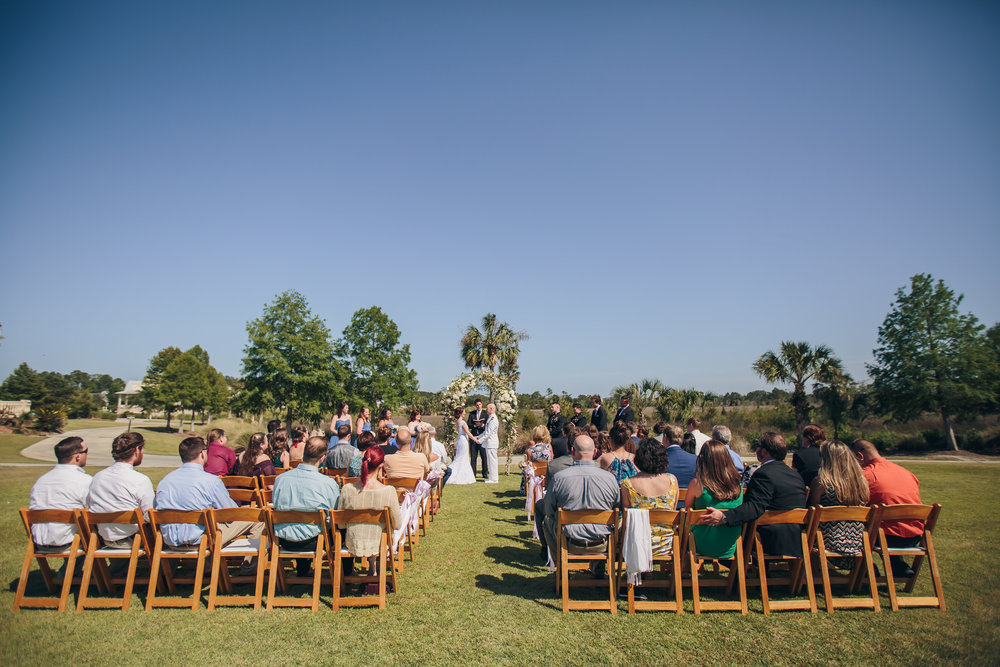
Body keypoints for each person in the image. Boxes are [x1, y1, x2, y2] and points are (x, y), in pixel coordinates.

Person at [154, 437, 263, 572]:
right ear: (202, 454)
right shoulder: (210, 481)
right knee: (257, 519)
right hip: (202, 539)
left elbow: (156, 511)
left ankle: (191, 569)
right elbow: (230, 512)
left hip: (170, 541)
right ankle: (248, 570)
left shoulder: (165, 481)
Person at [698, 432, 807, 556]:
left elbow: (754, 507)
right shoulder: (796, 476)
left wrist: (724, 517)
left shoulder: (764, 474)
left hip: (767, 540)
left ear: (764, 451)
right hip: (796, 539)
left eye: (758, 445)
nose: (756, 449)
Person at [541, 435, 620, 571]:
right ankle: (598, 565)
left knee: (547, 522)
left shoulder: (559, 478)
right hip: (601, 540)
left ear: (573, 452)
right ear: (595, 453)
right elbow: (617, 506)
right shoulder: (610, 478)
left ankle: (560, 567)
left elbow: (548, 510)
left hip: (570, 540)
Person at [850, 439, 923, 577]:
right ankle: (899, 566)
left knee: (851, 523)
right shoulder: (906, 472)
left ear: (860, 456)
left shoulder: (865, 475)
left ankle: (865, 567)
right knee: (887, 523)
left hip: (886, 536)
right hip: (915, 535)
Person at [272, 437, 341, 576]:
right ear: (322, 458)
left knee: (304, 522)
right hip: (314, 540)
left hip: (285, 539)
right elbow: (335, 514)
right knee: (335, 527)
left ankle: (303, 570)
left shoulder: (280, 480)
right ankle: (346, 572)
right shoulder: (328, 483)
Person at [338, 446, 402, 572]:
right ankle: (373, 569)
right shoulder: (388, 492)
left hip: (353, 541)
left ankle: (371, 568)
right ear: (381, 465)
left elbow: (340, 524)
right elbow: (397, 524)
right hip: (379, 542)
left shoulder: (347, 489)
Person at [808, 439, 869, 570]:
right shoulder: (861, 483)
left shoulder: (821, 483)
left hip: (828, 541)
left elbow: (812, 514)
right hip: (857, 542)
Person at [86, 432, 154, 548]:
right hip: (133, 539)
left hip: (105, 538)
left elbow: (89, 506)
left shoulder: (98, 477)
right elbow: (149, 515)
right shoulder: (140, 480)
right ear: (137, 450)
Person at [28, 436, 91, 549]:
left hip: (39, 541)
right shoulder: (84, 481)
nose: (87, 454)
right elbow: (93, 511)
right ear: (77, 457)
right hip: (68, 541)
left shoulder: (41, 481)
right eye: (86, 451)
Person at [686, 440, 745, 559]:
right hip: (730, 543)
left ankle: (686, 568)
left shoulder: (697, 484)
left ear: (703, 460)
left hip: (702, 543)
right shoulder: (737, 485)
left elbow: (688, 513)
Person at [620, 438, 680, 555]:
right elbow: (672, 510)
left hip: (638, 543)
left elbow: (626, 515)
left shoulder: (628, 484)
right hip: (667, 542)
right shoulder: (672, 480)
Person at [448, 407, 477, 485]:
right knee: (463, 457)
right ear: (460, 413)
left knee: (460, 457)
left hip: (460, 440)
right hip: (463, 440)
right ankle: (461, 477)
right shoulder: (462, 422)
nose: (465, 413)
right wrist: (474, 439)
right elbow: (468, 432)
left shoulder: (457, 421)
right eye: (464, 412)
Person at [663, 424, 697, 489]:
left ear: (665, 437)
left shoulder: (659, 460)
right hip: (691, 497)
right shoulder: (695, 459)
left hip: (669, 498)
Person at [520, 425, 553, 493]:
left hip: (536, 479)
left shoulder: (529, 450)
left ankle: (523, 490)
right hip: (548, 477)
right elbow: (551, 461)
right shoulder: (549, 447)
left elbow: (529, 467)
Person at [793, 424, 825, 488]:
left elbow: (795, 478)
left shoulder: (799, 455)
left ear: (807, 438)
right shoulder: (828, 452)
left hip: (809, 491)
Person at [467, 399, 488, 480]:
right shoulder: (472, 414)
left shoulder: (485, 413)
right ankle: (473, 474)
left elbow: (488, 424)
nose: (478, 406)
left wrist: (482, 425)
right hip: (474, 437)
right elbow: (468, 424)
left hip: (482, 437)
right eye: (477, 405)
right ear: (475, 406)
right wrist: (475, 425)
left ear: (482, 404)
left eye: (479, 404)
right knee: (473, 457)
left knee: (484, 457)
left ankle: (485, 473)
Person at [480, 403, 500, 484]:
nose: (486, 410)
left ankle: (494, 478)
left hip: (492, 442)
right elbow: (485, 432)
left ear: (491, 409)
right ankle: (491, 477)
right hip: (489, 443)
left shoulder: (493, 419)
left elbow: (488, 433)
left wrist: (480, 440)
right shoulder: (490, 418)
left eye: (487, 408)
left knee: (493, 461)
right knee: (490, 461)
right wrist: (478, 436)